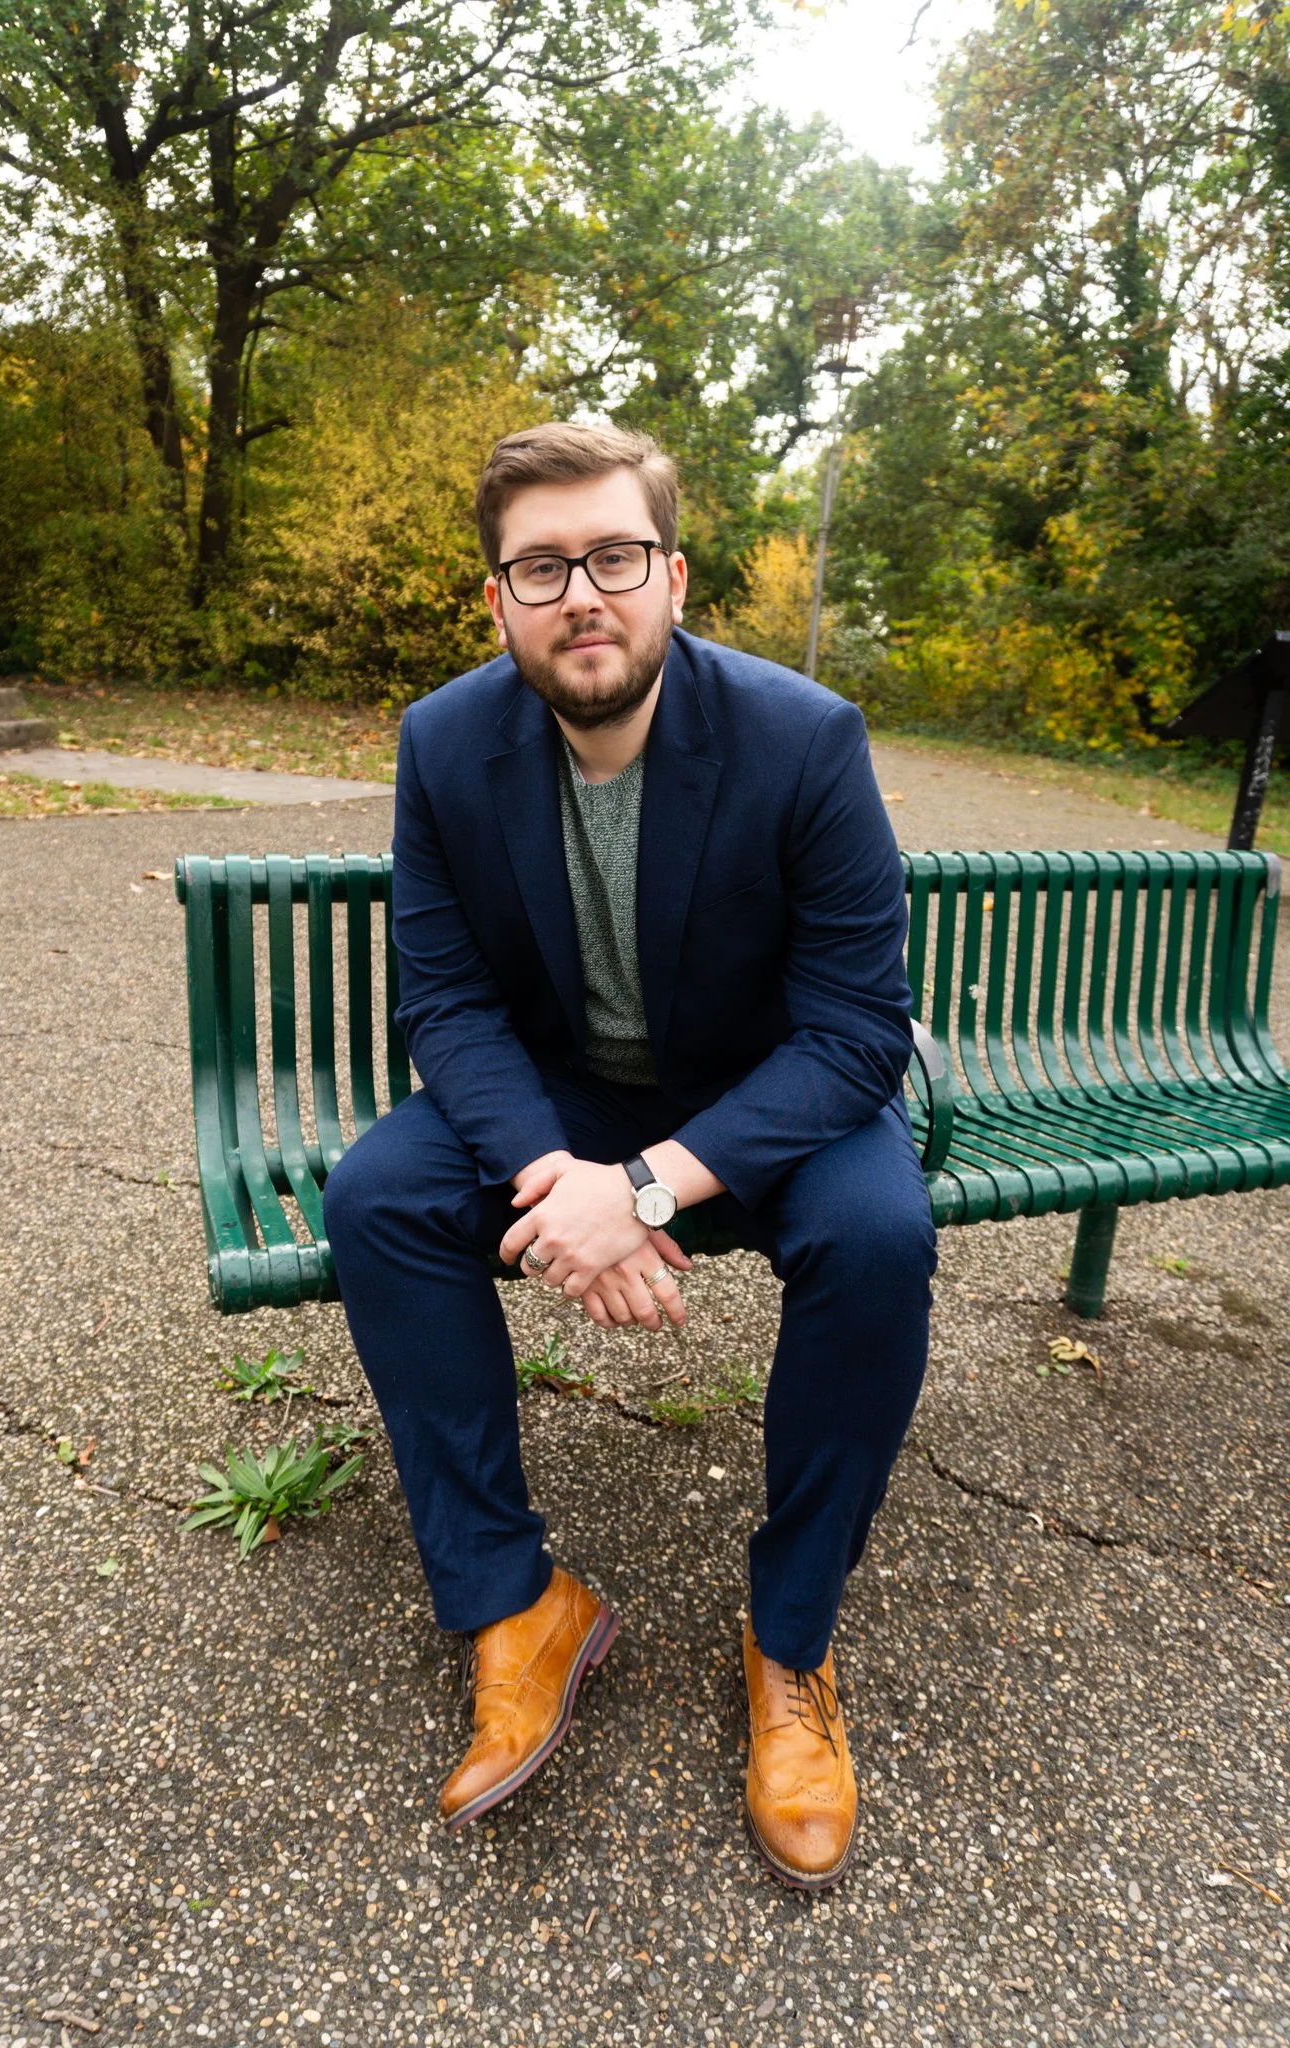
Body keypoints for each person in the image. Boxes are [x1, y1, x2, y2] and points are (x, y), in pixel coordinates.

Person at [323, 420, 937, 1889]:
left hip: (767, 1102)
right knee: (382, 1196)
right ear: (498, 601)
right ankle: (514, 1603)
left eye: (612, 556)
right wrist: (558, 1177)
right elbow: (449, 1001)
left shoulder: (804, 737)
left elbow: (859, 1028)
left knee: (880, 1238)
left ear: (672, 576)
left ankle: (790, 1643)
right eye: (542, 566)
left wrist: (648, 1189)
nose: (580, 594)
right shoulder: (443, 744)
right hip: (561, 1102)